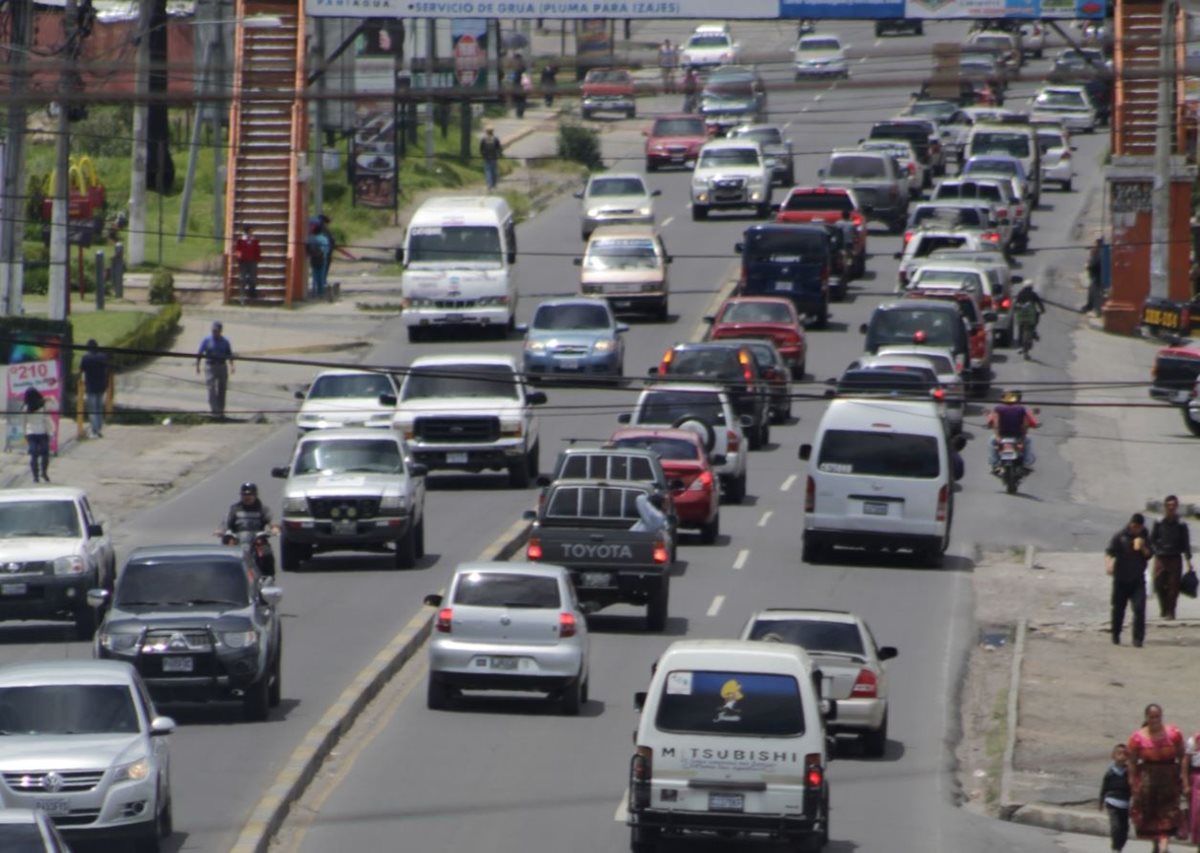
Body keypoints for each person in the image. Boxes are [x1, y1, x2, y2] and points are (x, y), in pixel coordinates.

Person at [1127, 703, 1187, 852]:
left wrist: (1184, 779)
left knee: (1168, 812)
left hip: (1169, 779)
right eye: (1151, 717)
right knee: (1151, 814)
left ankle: (1164, 845)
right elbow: (1132, 761)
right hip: (1148, 780)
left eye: (1157, 716)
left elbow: (1183, 756)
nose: (1155, 720)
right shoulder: (1137, 737)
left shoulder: (1173, 733)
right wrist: (1132, 781)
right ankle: (1156, 845)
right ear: (1146, 717)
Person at [1106, 513, 1153, 647]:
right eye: (1134, 526)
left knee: (1139, 608)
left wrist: (1143, 546)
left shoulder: (1144, 537)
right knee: (1118, 608)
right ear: (1130, 524)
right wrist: (1108, 564)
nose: (1135, 529)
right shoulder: (1120, 536)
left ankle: (1138, 639)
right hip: (1121, 578)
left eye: (1138, 527)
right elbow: (1109, 552)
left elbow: (1149, 555)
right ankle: (1116, 633)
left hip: (1137, 579)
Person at [219, 483, 278, 576]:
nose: (247, 497)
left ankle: (268, 578)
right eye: (244, 495)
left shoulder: (262, 509)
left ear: (255, 495)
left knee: (267, 554)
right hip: (238, 538)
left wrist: (274, 528)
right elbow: (226, 522)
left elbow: (272, 521)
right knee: (226, 553)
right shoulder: (235, 509)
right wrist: (222, 530)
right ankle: (226, 576)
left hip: (257, 538)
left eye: (249, 495)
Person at [1150, 495, 1193, 620]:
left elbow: (1186, 542)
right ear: (1165, 506)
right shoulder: (1159, 522)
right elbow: (1152, 539)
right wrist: (1153, 550)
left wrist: (1188, 559)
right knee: (1158, 583)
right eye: (1169, 505)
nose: (1171, 508)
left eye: (1173, 505)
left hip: (1175, 557)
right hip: (1161, 557)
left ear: (1177, 507)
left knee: (1173, 586)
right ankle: (1164, 608)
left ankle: (1170, 611)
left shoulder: (1181, 524)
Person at [987, 389, 1039, 470]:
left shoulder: (998, 409)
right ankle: (1026, 462)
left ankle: (995, 462)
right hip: (1017, 436)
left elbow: (995, 424)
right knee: (1028, 441)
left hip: (1002, 435)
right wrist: (1022, 438)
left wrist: (997, 437)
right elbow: (1025, 425)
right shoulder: (1021, 409)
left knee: (991, 441)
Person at [196, 320, 234, 419]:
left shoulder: (225, 341)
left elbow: (229, 354)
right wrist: (198, 366)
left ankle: (221, 410)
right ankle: (214, 410)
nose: (214, 332)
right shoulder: (207, 340)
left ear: (220, 331)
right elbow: (200, 353)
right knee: (211, 388)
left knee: (222, 388)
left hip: (221, 365)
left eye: (216, 331)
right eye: (213, 330)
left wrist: (232, 365)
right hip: (210, 366)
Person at [1100, 742, 1132, 853]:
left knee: (1124, 829)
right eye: (1119, 753)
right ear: (1113, 756)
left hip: (1125, 803)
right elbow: (1104, 788)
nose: (1121, 756)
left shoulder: (1129, 772)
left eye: (1124, 754)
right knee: (1116, 826)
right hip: (1112, 801)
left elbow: (1133, 788)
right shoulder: (1110, 772)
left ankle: (1119, 847)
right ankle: (1115, 848)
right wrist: (1101, 801)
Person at [79, 338, 110, 439]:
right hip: (101, 385)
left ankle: (95, 430)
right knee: (99, 407)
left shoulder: (86, 358)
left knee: (92, 409)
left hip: (91, 386)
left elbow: (82, 369)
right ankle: (99, 427)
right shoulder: (103, 357)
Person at [21, 386, 51, 483]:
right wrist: (50, 432)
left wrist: (24, 433)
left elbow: (23, 422)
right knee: (45, 453)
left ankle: (35, 476)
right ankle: (44, 472)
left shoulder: (25, 407)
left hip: (31, 433)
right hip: (42, 432)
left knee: (34, 455)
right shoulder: (42, 405)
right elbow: (46, 419)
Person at [233, 224, 261, 302]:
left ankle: (252, 292)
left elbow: (257, 250)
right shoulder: (241, 239)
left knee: (253, 279)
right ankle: (242, 295)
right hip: (243, 262)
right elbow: (238, 250)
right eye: (251, 230)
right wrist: (239, 258)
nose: (252, 232)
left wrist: (257, 258)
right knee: (242, 279)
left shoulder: (254, 239)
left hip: (252, 261)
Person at [306, 223, 332, 300]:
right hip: (322, 258)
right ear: (321, 231)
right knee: (321, 275)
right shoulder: (324, 239)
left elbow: (307, 247)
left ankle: (314, 290)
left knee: (315, 274)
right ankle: (320, 292)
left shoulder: (311, 238)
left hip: (313, 258)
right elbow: (326, 249)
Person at [1185, 728, 1200, 848]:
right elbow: (1186, 762)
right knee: (1197, 813)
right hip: (1197, 778)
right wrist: (1185, 784)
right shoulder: (1193, 741)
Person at [1084, 237, 1104, 315]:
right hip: (1095, 274)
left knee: (1094, 289)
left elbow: (1093, 265)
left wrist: (1089, 265)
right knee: (1091, 289)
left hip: (1098, 276)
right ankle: (1090, 306)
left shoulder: (1100, 254)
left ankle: (1096, 309)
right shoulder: (1097, 252)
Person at [480, 127, 503, 191]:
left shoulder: (484, 139)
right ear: (492, 132)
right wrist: (500, 155)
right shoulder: (495, 139)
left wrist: (483, 155)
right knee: (494, 171)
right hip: (494, 157)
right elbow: (499, 148)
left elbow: (481, 148)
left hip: (487, 157)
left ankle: (489, 185)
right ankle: (494, 184)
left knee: (488, 171)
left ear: (486, 132)